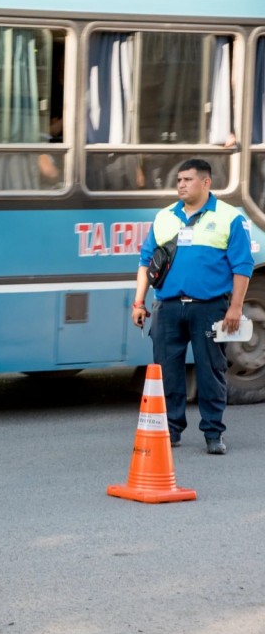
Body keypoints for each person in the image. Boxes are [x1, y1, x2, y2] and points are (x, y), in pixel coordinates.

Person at [131, 158, 253, 454]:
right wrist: (139, 302)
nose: (181, 185)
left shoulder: (229, 218)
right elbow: (146, 261)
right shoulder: (164, 217)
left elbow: (243, 266)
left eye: (188, 180)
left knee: (211, 370)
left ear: (206, 182)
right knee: (166, 371)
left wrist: (235, 308)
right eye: (179, 180)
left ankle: (213, 433)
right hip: (167, 307)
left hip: (210, 308)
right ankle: (171, 430)